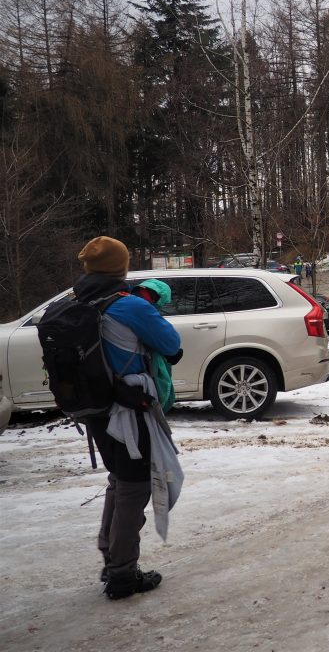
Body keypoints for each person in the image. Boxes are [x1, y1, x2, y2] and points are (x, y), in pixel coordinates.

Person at [74, 237, 181, 600]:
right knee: (135, 486)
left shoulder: (77, 302)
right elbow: (172, 345)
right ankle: (121, 573)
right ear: (121, 267)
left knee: (120, 481)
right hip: (130, 409)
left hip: (97, 410)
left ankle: (112, 557)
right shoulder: (129, 305)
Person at [130, 279, 182, 413]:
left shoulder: (123, 301)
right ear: (156, 297)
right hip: (139, 374)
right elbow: (171, 343)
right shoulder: (142, 308)